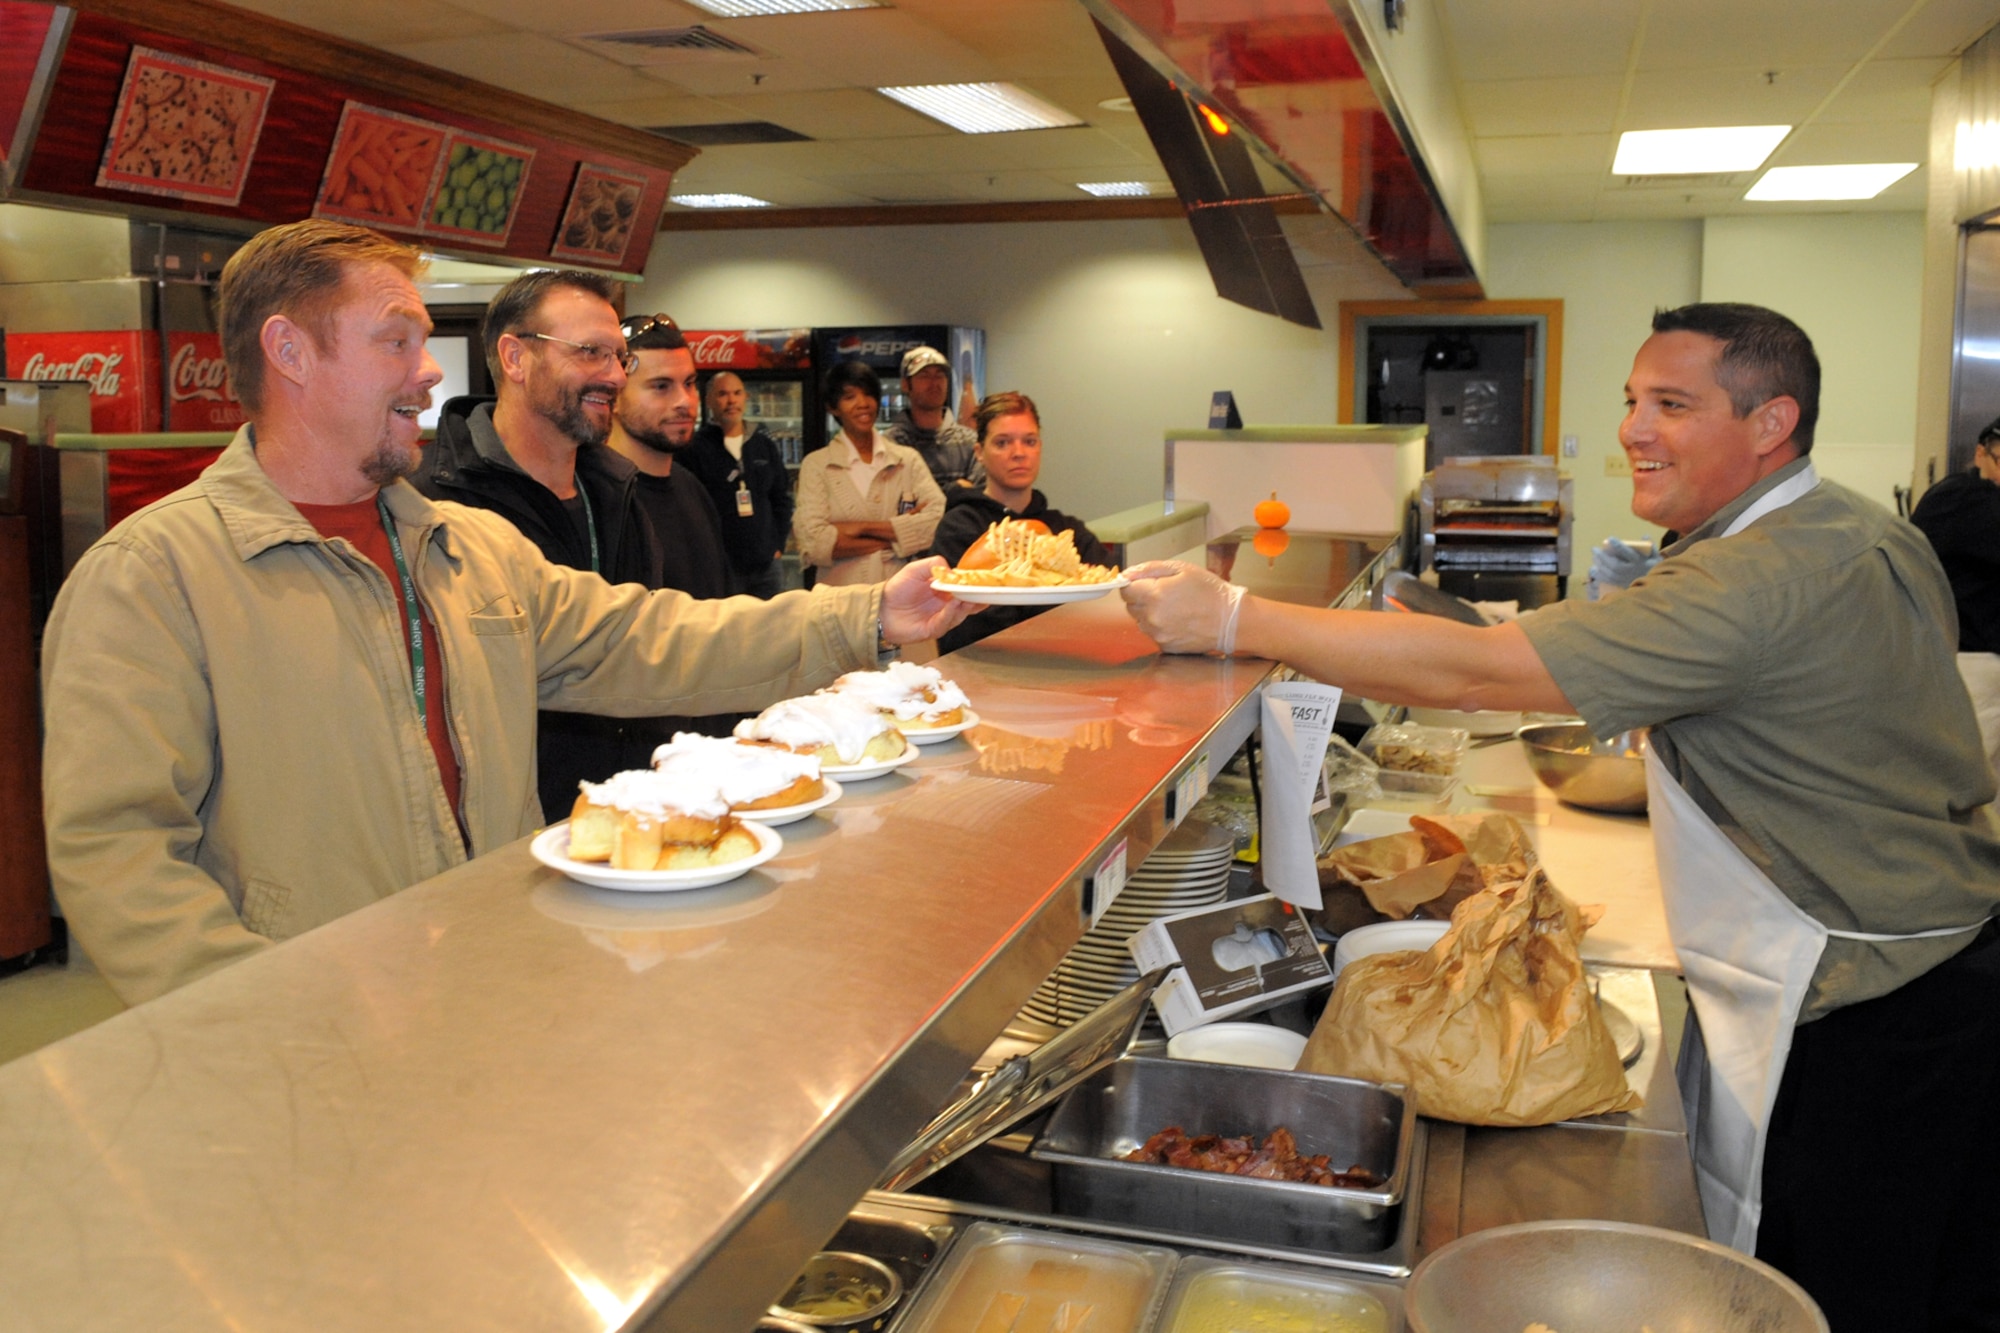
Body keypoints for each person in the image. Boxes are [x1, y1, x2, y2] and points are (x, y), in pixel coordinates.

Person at [1119, 303, 2000, 1331]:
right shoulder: (1847, 524)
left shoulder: (1760, 574)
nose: (1631, 427)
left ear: (1770, 424)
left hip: (1878, 1015)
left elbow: (1481, 674)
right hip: (1936, 961)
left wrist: (1235, 617)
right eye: (1630, 400)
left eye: (1670, 404)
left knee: (1847, 1296)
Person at [38, 219, 969, 1006]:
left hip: (496, 991)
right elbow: (118, 854)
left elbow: (643, 636)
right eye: (395, 340)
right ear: (289, 351)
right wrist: (263, 1010)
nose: (428, 376)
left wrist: (863, 616)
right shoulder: (154, 578)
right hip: (306, 1044)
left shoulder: (464, 547)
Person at [416, 270, 680, 820]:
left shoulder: (620, 493)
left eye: (619, 358)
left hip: (629, 820)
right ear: (514, 358)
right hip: (507, 843)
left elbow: (655, 650)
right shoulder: (431, 506)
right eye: (590, 352)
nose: (612, 376)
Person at [926, 390, 1114, 655]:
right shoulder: (958, 528)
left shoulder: (1068, 532)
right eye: (1002, 443)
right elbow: (963, 627)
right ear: (979, 452)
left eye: (1029, 441)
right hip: (980, 676)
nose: (1018, 453)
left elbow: (1105, 599)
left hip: (1067, 671)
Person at [604, 312, 731, 602]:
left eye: (689, 383)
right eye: (661, 386)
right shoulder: (596, 499)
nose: (684, 402)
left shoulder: (692, 488)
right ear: (614, 398)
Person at [794, 359, 945, 587]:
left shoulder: (906, 459)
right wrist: (901, 532)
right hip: (839, 599)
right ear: (833, 407)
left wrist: (857, 528)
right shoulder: (817, 465)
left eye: (868, 395)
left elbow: (935, 523)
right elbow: (813, 543)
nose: (862, 404)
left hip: (900, 593)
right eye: (849, 397)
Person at [1911, 417, 2000, 773]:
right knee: (1969, 775)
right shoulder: (1966, 500)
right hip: (1972, 662)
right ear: (1982, 454)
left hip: (1969, 657)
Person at [682, 368, 794, 599]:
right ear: (709, 400)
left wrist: (777, 546)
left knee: (771, 631)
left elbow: (781, 499)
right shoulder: (694, 448)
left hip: (766, 566)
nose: (731, 400)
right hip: (721, 567)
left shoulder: (763, 444)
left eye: (737, 393)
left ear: (745, 398)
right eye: (723, 394)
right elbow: (688, 509)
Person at [882, 345, 982, 489]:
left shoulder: (970, 442)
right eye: (924, 376)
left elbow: (979, 500)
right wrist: (955, 490)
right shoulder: (890, 444)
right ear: (905, 385)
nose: (934, 383)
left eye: (940, 375)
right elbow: (892, 500)